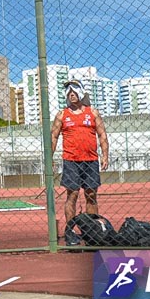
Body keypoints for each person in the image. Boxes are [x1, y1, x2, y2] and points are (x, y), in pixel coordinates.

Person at [50, 79, 110, 244]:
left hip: (91, 160)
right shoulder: (62, 115)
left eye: (75, 90)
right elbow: (53, 137)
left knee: (91, 195)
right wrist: (50, 158)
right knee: (72, 194)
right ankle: (70, 231)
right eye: (69, 91)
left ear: (81, 92)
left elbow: (102, 134)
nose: (71, 93)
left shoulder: (93, 113)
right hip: (71, 161)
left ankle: (92, 231)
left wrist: (105, 155)